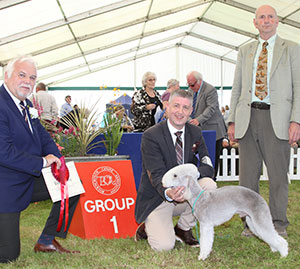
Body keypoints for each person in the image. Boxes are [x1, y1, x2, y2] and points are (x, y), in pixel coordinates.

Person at [227, 5, 300, 237]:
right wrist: (232, 121)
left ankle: (278, 223)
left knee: (278, 175)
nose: (266, 20)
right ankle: (251, 224)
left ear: (277, 22)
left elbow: (298, 87)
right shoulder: (245, 50)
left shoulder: (292, 49)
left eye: (270, 17)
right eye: (262, 17)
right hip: (247, 117)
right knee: (247, 176)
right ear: (255, 22)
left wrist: (296, 120)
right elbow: (237, 86)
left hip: (276, 119)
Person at [0, 55, 80, 263]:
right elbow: (3, 152)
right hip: (5, 187)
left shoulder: (26, 104)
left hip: (28, 177)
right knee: (8, 256)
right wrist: (44, 162)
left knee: (70, 184)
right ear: (6, 76)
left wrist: (59, 161)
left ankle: (46, 240)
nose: (27, 81)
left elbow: (43, 137)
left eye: (33, 77)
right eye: (22, 75)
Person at [134, 89, 217, 251]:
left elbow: (208, 166)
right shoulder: (151, 135)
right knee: (164, 246)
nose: (180, 112)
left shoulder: (196, 133)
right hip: (159, 197)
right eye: (176, 106)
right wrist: (169, 192)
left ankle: (183, 228)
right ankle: (146, 227)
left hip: (185, 194)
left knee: (209, 186)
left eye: (185, 108)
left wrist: (192, 177)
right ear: (167, 107)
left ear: (191, 111)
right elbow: (155, 174)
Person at [186, 71, 227, 180]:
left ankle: (212, 180)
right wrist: (190, 119)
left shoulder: (210, 90)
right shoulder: (190, 90)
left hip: (214, 131)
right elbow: (188, 106)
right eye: (188, 84)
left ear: (199, 81)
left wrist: (198, 120)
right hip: (198, 131)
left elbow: (211, 108)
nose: (190, 87)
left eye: (192, 84)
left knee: (213, 159)